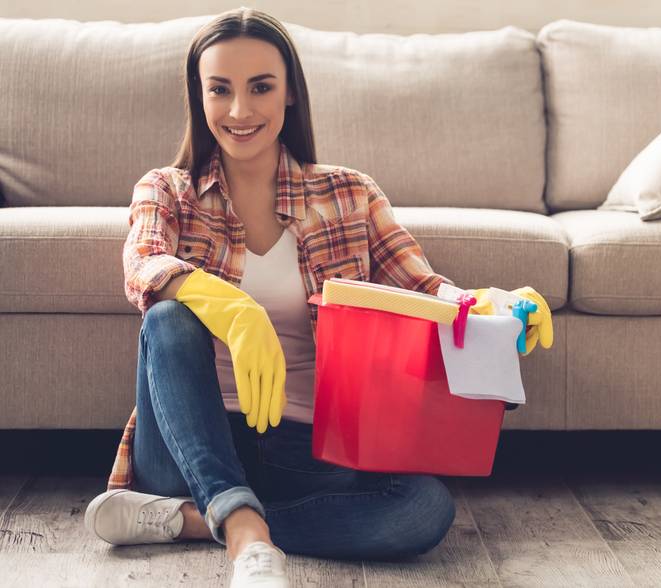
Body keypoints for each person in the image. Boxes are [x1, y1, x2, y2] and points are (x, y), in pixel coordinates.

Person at [83, 7, 458, 587]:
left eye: (261, 87)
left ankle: (196, 520)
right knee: (169, 318)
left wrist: (492, 306)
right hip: (188, 446)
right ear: (199, 96)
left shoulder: (349, 194)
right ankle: (247, 539)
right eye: (220, 90)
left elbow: (427, 290)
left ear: (289, 95)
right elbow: (143, 262)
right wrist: (231, 309)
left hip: (305, 449)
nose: (239, 111)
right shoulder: (168, 190)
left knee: (424, 508)